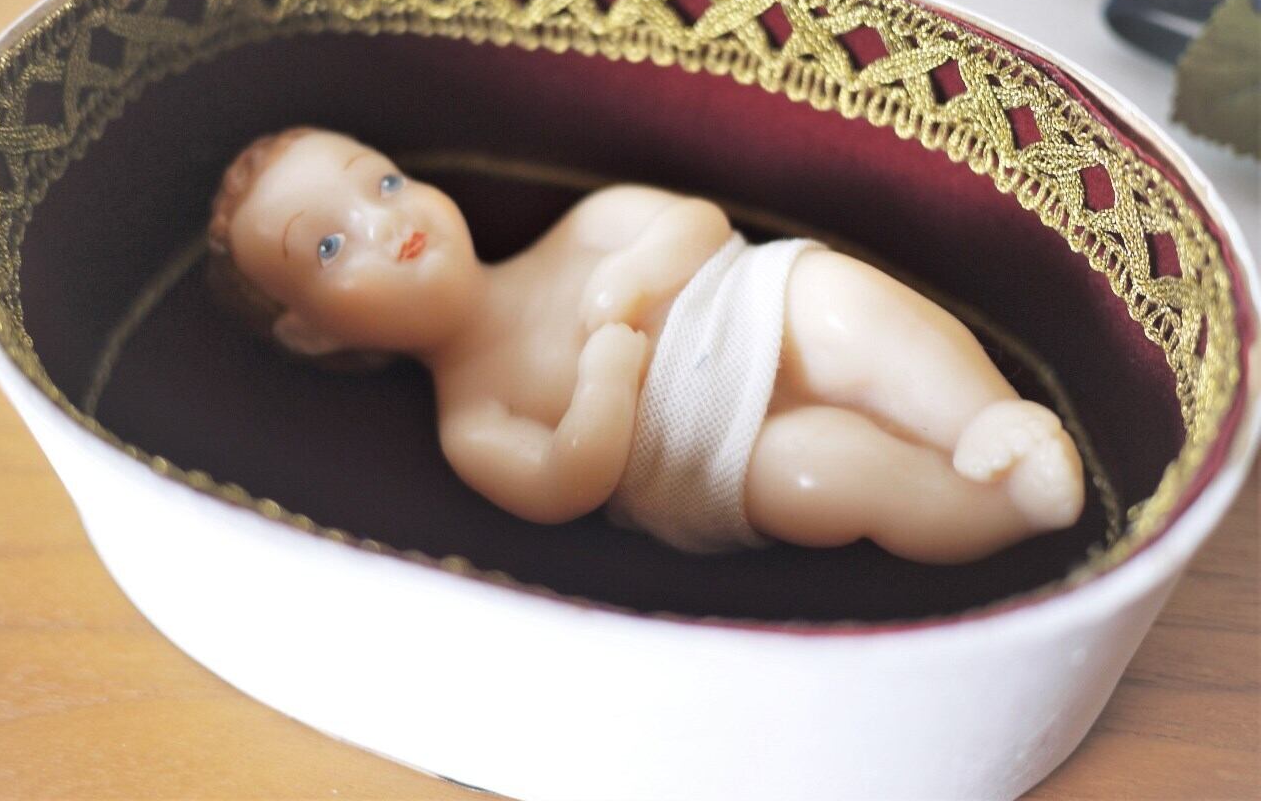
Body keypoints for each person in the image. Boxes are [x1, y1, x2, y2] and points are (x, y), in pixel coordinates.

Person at [207, 127, 1084, 563]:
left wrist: (638, 268)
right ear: (312, 331)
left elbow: (699, 222)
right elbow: (563, 485)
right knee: (819, 471)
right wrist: (604, 384)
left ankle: (985, 417)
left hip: (751, 310)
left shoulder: (582, 226)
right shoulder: (473, 418)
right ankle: (1004, 511)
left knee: (844, 302)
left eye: (386, 183)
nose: (381, 221)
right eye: (329, 246)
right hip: (707, 455)